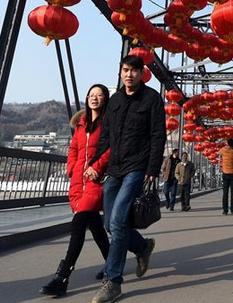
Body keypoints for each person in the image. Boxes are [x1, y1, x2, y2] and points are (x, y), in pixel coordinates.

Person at [86, 55, 166, 303]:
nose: (129, 74)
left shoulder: (152, 98)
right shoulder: (116, 100)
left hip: (137, 167)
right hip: (114, 168)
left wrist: (152, 168)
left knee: (119, 220)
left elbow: (157, 134)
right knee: (111, 224)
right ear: (120, 72)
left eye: (133, 70)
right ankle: (142, 247)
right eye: (125, 70)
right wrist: (96, 164)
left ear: (142, 73)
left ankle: (113, 281)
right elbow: (106, 135)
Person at [40, 84, 111, 296]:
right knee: (95, 225)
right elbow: (73, 149)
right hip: (78, 181)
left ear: (106, 99)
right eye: (92, 95)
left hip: (96, 179)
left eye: (99, 95)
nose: (95, 98)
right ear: (87, 98)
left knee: (79, 223)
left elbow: (111, 148)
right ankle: (112, 262)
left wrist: (96, 168)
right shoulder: (81, 124)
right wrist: (71, 168)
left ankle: (62, 277)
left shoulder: (108, 123)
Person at [219, 138, 233, 215]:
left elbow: (219, 154)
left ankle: (225, 210)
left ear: (227, 143)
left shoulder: (223, 150)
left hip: (225, 173)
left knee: (225, 193)